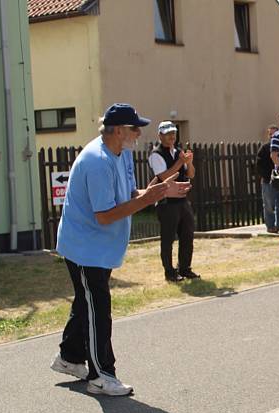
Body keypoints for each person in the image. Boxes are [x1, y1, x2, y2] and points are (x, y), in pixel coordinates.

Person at [50, 103, 190, 396]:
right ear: (116, 130)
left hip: (100, 246)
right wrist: (149, 198)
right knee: (98, 306)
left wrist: (162, 191)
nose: (139, 133)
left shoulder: (122, 153)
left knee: (86, 300)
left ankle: (69, 357)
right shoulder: (96, 161)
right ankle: (102, 375)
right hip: (84, 246)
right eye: (133, 128)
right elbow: (104, 215)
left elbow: (130, 195)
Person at [148, 121, 199, 282]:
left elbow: (191, 174)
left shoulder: (178, 152)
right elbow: (164, 177)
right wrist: (180, 162)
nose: (172, 136)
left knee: (187, 234)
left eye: (174, 133)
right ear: (160, 135)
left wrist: (189, 162)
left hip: (182, 200)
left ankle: (184, 268)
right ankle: (169, 272)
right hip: (166, 202)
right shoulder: (155, 154)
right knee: (168, 238)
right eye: (168, 133)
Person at [256, 124, 279, 233]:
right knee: (269, 205)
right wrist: (266, 176)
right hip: (267, 181)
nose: (272, 136)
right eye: (270, 134)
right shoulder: (264, 148)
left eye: (274, 134)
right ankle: (270, 226)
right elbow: (259, 164)